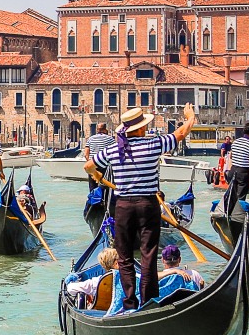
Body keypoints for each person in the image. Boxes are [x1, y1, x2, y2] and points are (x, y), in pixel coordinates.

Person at [83, 103, 197, 313]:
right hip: (147, 205)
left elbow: (88, 165)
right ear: (141, 128)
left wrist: (99, 178)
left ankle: (129, 304)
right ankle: (149, 301)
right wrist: (190, 117)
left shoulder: (113, 150)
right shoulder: (153, 144)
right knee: (148, 254)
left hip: (123, 206)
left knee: (124, 257)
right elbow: (181, 133)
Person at [220, 123, 249, 217]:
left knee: (232, 194)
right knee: (241, 197)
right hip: (243, 173)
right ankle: (237, 216)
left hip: (233, 170)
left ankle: (228, 213)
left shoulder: (235, 142)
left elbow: (231, 156)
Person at [83, 123, 115, 191]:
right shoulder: (110, 139)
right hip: (105, 167)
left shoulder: (90, 139)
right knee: (105, 188)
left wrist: (90, 163)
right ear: (105, 130)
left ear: (97, 130)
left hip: (93, 166)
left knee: (92, 188)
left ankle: (94, 200)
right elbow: (115, 152)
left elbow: (86, 154)